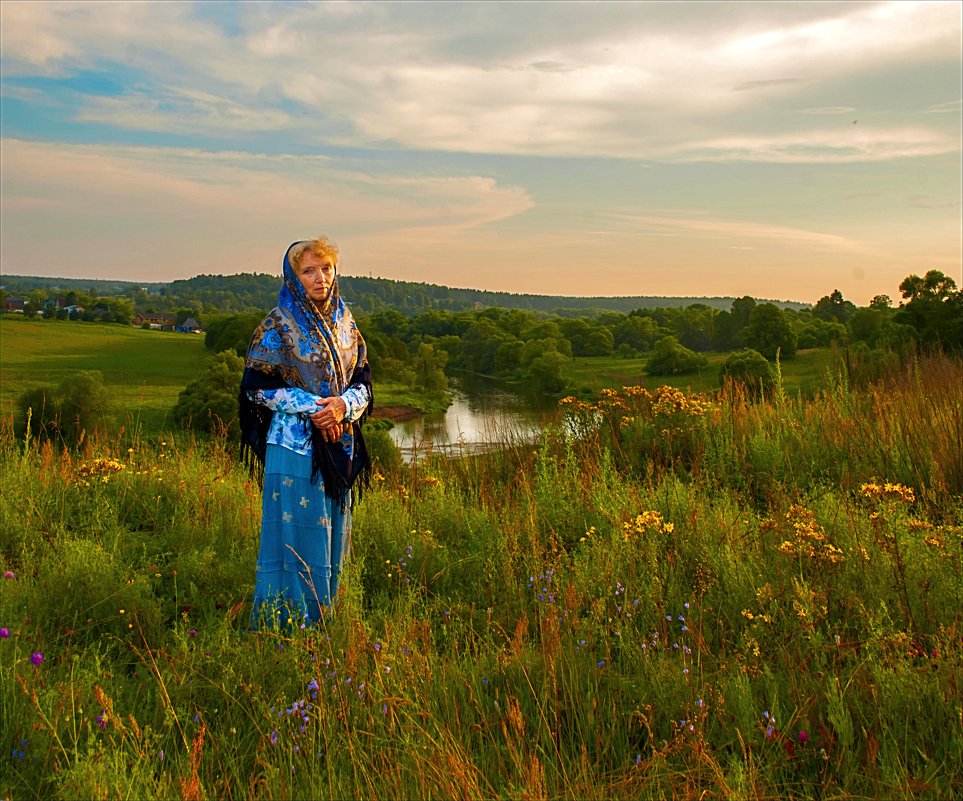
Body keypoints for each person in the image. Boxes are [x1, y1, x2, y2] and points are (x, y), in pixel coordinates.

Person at [239, 236, 372, 629]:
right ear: (293, 276)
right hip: (294, 448)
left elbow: (364, 381)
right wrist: (315, 407)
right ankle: (285, 624)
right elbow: (256, 389)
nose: (320, 278)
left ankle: (327, 619)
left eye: (326, 268)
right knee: (297, 536)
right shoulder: (278, 325)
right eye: (309, 270)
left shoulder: (347, 324)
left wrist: (343, 407)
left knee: (332, 534)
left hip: (339, 444)